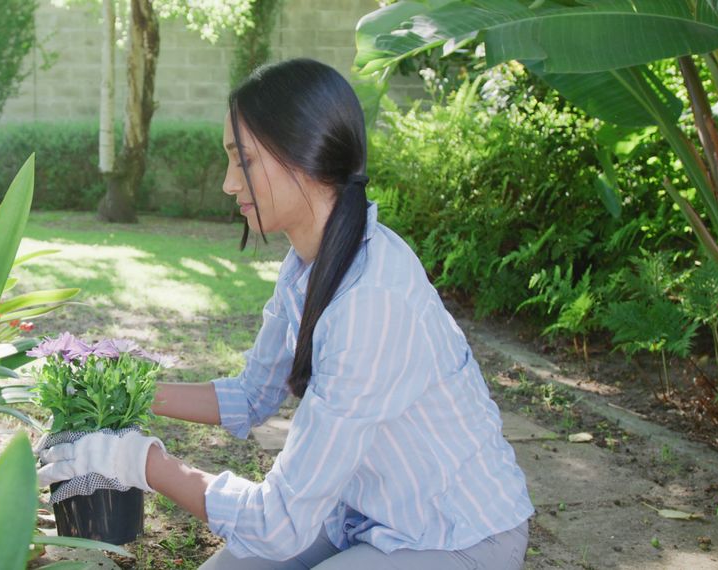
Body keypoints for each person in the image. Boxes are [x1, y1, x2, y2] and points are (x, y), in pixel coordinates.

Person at [36, 58, 534, 569]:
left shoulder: (372, 301)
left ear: (305, 155)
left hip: (452, 534)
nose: (230, 184)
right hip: (358, 517)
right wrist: (129, 396)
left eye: (243, 160)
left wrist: (137, 462)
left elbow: (279, 524)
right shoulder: (307, 265)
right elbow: (253, 394)